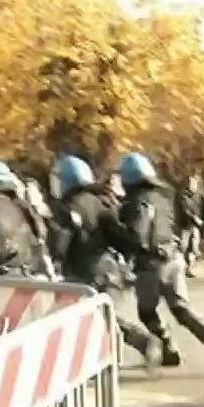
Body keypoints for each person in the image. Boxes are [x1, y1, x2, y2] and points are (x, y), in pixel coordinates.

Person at [50, 154, 161, 369]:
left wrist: (55, 262)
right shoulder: (101, 202)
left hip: (84, 272)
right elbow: (120, 237)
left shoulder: (68, 207)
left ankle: (139, 344)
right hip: (109, 268)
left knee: (80, 318)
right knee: (105, 316)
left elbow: (60, 243)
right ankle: (124, 351)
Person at [118, 152, 204, 371]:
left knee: (147, 311)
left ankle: (168, 348)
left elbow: (138, 234)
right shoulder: (163, 197)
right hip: (173, 258)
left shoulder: (136, 201)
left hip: (150, 264)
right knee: (181, 308)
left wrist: (125, 245)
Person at [175, 175, 204, 277]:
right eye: (192, 184)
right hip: (185, 225)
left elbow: (201, 208)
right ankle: (180, 266)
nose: (194, 186)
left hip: (195, 226)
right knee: (183, 246)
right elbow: (185, 210)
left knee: (194, 247)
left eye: (195, 184)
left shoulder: (197, 196)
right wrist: (194, 218)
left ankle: (191, 268)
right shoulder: (183, 196)